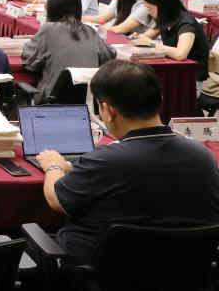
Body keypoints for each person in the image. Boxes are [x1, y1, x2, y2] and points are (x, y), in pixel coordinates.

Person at [36, 60, 219, 266]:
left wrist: (53, 166)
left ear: (108, 110)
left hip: (101, 271)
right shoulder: (204, 157)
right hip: (185, 272)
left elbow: (55, 200)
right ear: (160, 99)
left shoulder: (106, 160)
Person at [21, 0, 116, 103]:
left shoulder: (48, 29)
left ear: (51, 9)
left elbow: (29, 61)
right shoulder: (90, 31)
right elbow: (109, 56)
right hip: (88, 102)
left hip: (51, 102)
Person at [132, 0, 211, 90]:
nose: (148, 12)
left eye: (150, 9)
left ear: (163, 6)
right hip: (173, 72)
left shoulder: (186, 24)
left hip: (190, 81)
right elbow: (148, 36)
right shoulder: (165, 17)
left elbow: (180, 54)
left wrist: (151, 44)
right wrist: (138, 38)